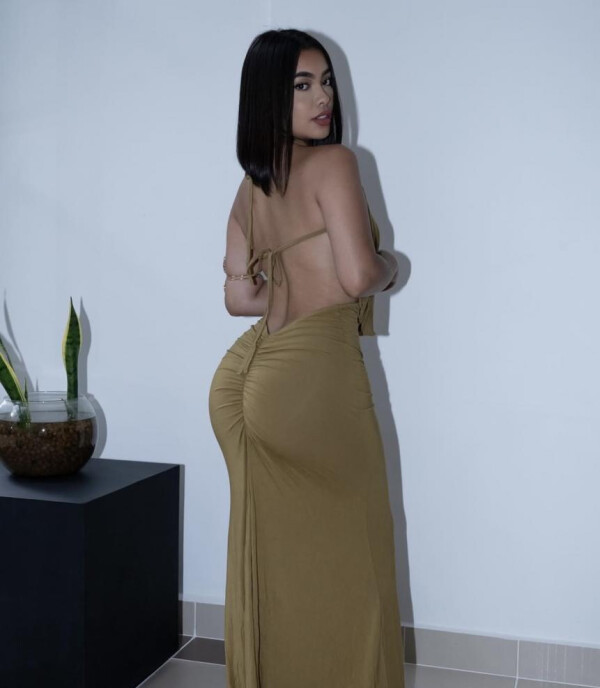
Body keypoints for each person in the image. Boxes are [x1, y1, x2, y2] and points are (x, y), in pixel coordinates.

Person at [208, 28, 404, 688]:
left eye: (326, 82)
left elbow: (239, 298)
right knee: (360, 555)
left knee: (277, 558)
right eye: (301, 85)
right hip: (312, 377)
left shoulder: (250, 188)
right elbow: (358, 276)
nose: (323, 98)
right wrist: (393, 265)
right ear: (268, 95)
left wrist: (293, 282)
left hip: (248, 378)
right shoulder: (336, 164)